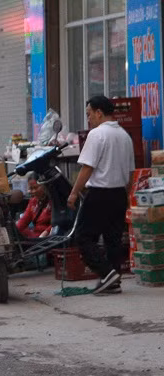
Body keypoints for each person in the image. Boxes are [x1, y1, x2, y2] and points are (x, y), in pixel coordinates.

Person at [67, 95, 135, 294]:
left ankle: (106, 273)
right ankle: (113, 280)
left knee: (83, 237)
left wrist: (73, 193)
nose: (88, 119)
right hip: (119, 194)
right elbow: (130, 172)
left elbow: (87, 168)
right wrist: (128, 195)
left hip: (99, 194)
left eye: (89, 114)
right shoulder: (125, 136)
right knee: (113, 239)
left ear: (99, 112)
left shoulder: (97, 134)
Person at [16, 172, 52, 238]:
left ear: (44, 185)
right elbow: (24, 220)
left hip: (48, 238)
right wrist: (14, 231)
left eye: (36, 188)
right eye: (31, 189)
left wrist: (46, 232)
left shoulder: (53, 201)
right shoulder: (33, 201)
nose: (33, 191)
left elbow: (57, 223)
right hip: (35, 237)